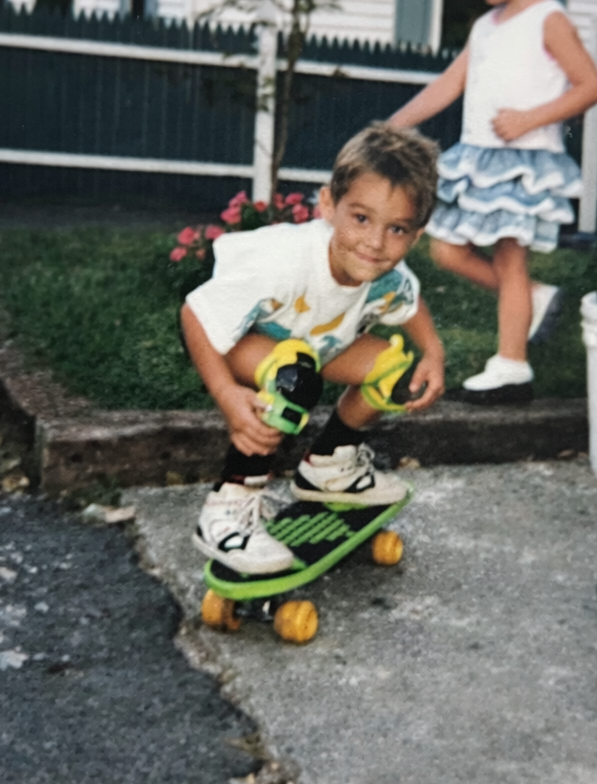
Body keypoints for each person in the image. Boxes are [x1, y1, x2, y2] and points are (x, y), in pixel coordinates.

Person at [181, 125, 446, 575]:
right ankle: (229, 506)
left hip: (316, 342)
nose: (375, 243)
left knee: (396, 369)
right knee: (295, 373)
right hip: (238, 342)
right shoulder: (286, 262)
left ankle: (330, 464)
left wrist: (433, 352)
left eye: (396, 228)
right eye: (361, 218)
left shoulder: (385, 273)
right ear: (328, 205)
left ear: (415, 236)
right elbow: (196, 314)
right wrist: (227, 394)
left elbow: (409, 300)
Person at [388, 0, 597, 404]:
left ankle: (512, 365)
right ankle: (534, 301)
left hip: (522, 160)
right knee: (446, 250)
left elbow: (589, 86)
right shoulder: (485, 27)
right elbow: (450, 83)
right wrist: (396, 124)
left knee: (509, 259)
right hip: (479, 156)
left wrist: (530, 118)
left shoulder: (548, 19)